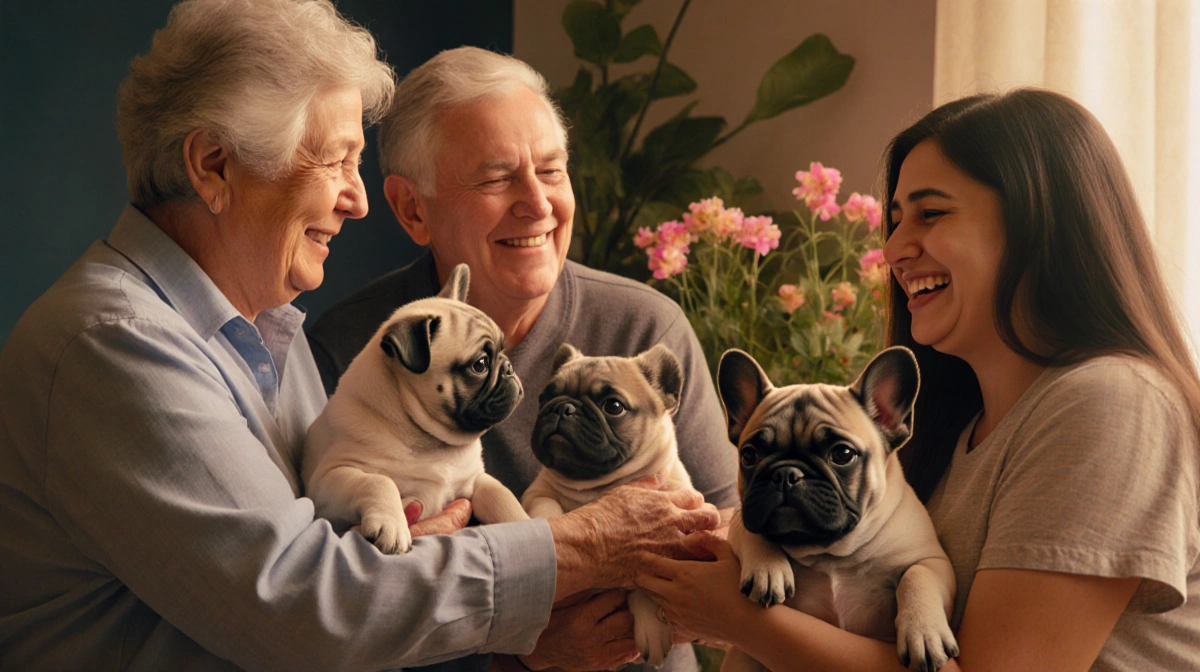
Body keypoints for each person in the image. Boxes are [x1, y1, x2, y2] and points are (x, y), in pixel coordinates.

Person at [0, 2, 719, 669]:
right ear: (213, 167)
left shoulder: (259, 339)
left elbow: (362, 570)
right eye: (336, 160)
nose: (357, 197)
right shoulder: (116, 345)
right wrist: (584, 548)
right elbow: (305, 602)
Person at [634, 88, 1200, 671]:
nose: (896, 248)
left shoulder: (1111, 403)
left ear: (1037, 224)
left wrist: (742, 619)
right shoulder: (963, 425)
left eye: (930, 214)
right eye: (896, 220)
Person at [304, 46, 739, 672]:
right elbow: (335, 614)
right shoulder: (348, 356)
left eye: (552, 170)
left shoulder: (644, 328)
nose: (537, 204)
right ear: (411, 209)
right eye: (495, 177)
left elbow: (729, 555)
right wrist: (515, 655)